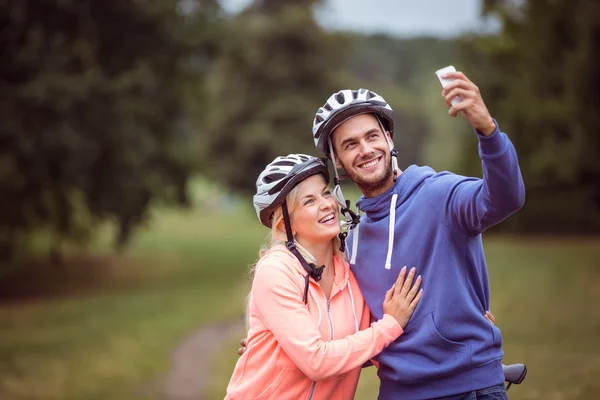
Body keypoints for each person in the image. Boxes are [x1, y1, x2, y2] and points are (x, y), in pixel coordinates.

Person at [308, 71, 526, 399]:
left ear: (389, 139)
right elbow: (358, 334)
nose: (365, 150)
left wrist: (487, 130)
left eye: (372, 136)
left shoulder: (438, 195)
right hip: (396, 392)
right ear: (337, 161)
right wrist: (281, 340)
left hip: (467, 388)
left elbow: (506, 198)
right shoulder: (351, 242)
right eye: (350, 144)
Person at [225, 154, 423, 400]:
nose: (326, 204)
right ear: (286, 226)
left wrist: (465, 320)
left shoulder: (353, 267)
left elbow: (371, 342)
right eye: (309, 201)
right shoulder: (276, 271)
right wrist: (389, 326)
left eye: (325, 193)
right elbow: (317, 362)